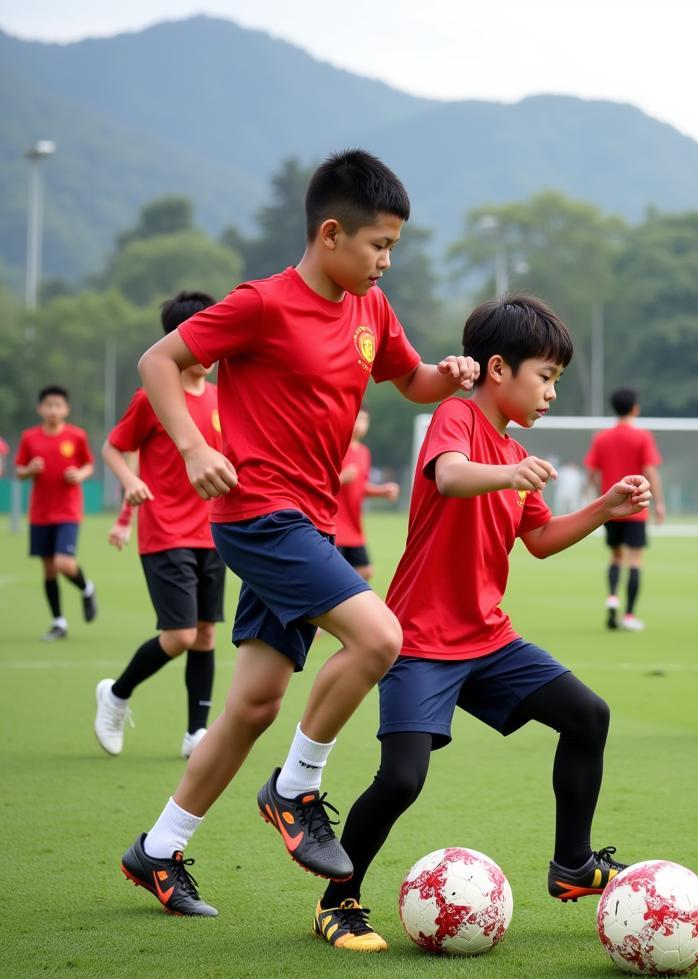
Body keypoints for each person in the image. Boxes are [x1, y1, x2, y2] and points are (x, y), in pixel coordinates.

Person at [119, 149, 479, 918]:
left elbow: (408, 381)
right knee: (380, 638)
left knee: (252, 705)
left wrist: (446, 376)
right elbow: (160, 360)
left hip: (309, 524)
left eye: (394, 248)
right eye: (379, 245)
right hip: (258, 517)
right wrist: (193, 444)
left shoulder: (371, 310)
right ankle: (296, 789)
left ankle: (156, 849)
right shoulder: (262, 304)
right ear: (329, 235)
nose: (387, 261)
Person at [311, 295, 650, 952]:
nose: (551, 391)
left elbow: (543, 539)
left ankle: (573, 864)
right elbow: (451, 478)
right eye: (545, 376)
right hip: (419, 643)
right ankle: (338, 900)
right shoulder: (457, 416)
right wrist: (509, 473)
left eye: (555, 379)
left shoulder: (508, 450)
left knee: (589, 715)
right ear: (499, 368)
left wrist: (604, 508)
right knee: (403, 778)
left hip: (489, 641)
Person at [94, 291, 225, 760]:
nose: (211, 348)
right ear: (180, 339)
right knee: (180, 636)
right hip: (166, 531)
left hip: (213, 532)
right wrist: (129, 479)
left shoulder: (219, 398)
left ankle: (196, 732)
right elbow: (113, 446)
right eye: (203, 335)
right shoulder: (152, 397)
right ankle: (117, 693)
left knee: (206, 634)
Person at [14, 386, 98, 641]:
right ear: (40, 408)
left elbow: (89, 465)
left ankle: (86, 588)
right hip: (40, 512)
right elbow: (18, 471)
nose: (53, 410)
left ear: (66, 409)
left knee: (64, 564)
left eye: (58, 405)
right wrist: (29, 469)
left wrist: (79, 475)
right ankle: (59, 622)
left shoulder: (76, 436)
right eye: (48, 405)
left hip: (68, 511)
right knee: (49, 570)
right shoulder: (30, 437)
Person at [584, 387, 664, 630]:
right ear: (634, 408)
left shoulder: (602, 438)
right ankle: (628, 615)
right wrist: (659, 502)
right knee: (635, 560)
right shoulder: (642, 437)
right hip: (636, 508)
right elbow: (650, 470)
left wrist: (599, 498)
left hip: (611, 509)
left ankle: (612, 600)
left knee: (615, 557)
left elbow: (592, 472)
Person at [335, 408, 400, 582]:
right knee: (336, 575)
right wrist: (342, 478)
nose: (361, 424)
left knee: (365, 571)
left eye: (364, 419)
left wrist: (383, 491)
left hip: (353, 526)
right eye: (357, 418)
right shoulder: (336, 448)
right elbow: (322, 485)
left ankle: (337, 599)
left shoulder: (364, 452)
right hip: (334, 525)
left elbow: (360, 487)